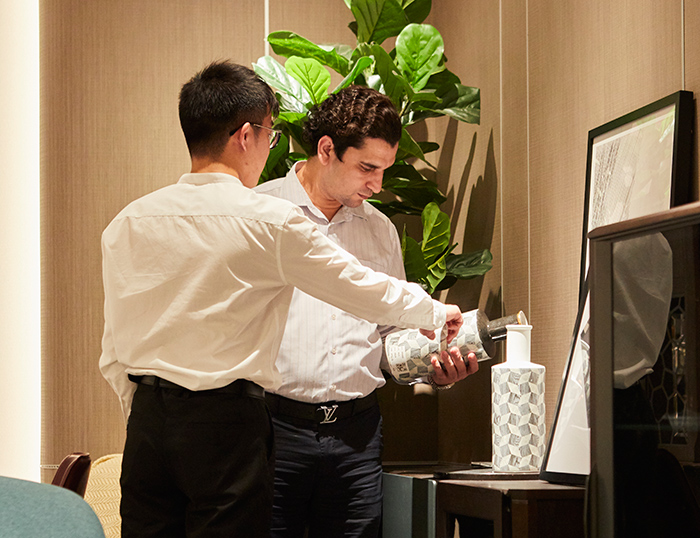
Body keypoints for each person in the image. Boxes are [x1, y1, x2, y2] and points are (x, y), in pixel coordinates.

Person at [99, 61, 463, 538]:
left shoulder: (128, 222)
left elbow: (113, 349)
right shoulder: (266, 218)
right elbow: (353, 283)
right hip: (228, 422)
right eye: (269, 135)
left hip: (148, 423)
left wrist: (146, 411)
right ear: (245, 136)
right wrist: (434, 311)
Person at [255, 86, 479, 538]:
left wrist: (432, 367)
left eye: (383, 170)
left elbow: (391, 336)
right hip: (274, 429)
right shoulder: (261, 213)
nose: (377, 185)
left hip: (357, 436)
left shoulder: (380, 231)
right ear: (326, 150)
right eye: (367, 168)